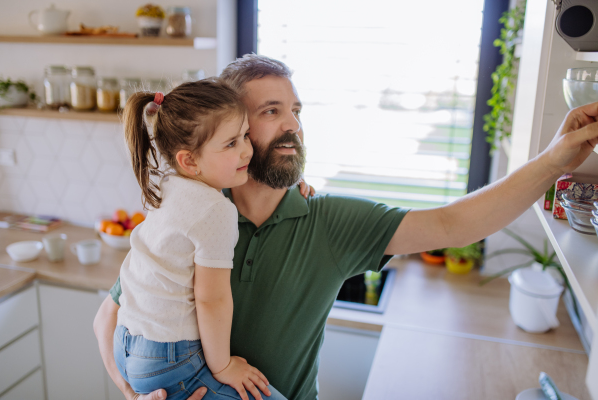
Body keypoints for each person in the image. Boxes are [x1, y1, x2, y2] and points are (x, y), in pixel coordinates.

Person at [95, 54, 598, 400]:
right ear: (234, 128)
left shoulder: (329, 222)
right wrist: (134, 388)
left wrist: (554, 162)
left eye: (296, 110)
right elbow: (109, 318)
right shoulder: (197, 213)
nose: (292, 123)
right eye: (272, 111)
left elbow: (453, 223)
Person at [112, 78, 289, 400]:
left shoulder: (167, 184)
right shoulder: (215, 210)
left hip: (125, 345)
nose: (247, 150)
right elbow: (212, 299)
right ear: (189, 161)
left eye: (245, 136)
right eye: (231, 144)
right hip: (169, 357)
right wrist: (223, 367)